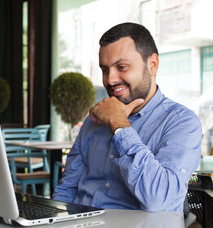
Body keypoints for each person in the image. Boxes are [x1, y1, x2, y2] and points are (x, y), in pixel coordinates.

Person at [52, 22, 202, 212]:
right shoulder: (94, 121)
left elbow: (158, 199)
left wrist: (119, 124)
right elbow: (67, 189)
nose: (110, 79)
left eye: (121, 67)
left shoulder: (182, 123)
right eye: (105, 70)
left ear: (152, 65)